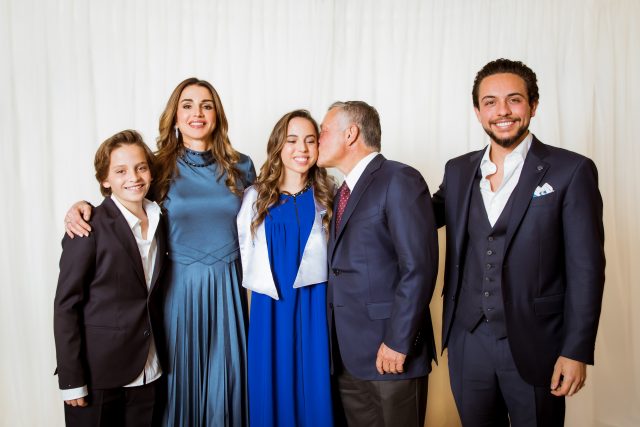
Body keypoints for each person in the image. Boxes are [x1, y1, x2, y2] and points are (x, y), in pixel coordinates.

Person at [63, 78, 256, 426]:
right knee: (174, 390)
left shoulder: (242, 166)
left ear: (217, 114)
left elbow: (261, 219)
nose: (197, 113)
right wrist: (81, 206)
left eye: (206, 105)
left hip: (227, 291)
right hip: (177, 294)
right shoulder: (157, 165)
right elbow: (123, 199)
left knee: (226, 386)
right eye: (187, 105)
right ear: (175, 115)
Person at [432, 58, 606, 426]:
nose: (503, 111)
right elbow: (420, 218)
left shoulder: (571, 170)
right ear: (478, 112)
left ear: (533, 105)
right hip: (467, 339)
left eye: (514, 100)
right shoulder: (458, 170)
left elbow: (587, 269)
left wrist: (576, 350)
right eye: (490, 102)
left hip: (537, 342)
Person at [316, 101, 439, 427]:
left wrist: (398, 341)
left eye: (324, 131)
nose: (317, 138)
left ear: (350, 134)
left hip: (391, 353)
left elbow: (419, 267)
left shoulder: (399, 179)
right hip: (348, 355)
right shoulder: (341, 192)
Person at [54, 130, 166, 426]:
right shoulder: (87, 227)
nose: (134, 177)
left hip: (150, 371)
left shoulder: (161, 220)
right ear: (105, 180)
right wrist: (71, 380)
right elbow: (66, 305)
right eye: (120, 171)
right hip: (98, 377)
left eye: (141, 167)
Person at [237, 109, 335, 426]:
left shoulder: (329, 197)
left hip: (316, 304)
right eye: (292, 140)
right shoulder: (255, 198)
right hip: (271, 306)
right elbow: (246, 256)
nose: (301, 149)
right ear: (278, 145)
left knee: (315, 382)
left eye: (310, 140)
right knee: (272, 381)